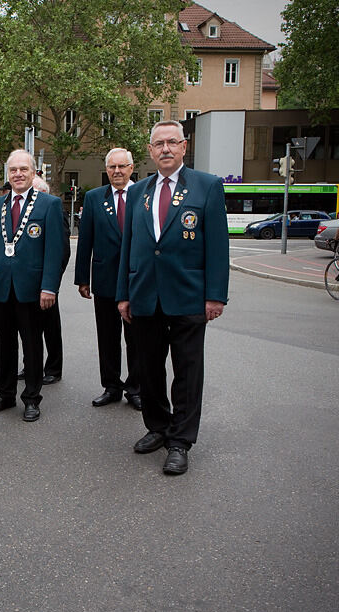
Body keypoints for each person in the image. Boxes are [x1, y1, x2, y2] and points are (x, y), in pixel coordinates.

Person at [116, 120, 229, 476]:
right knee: (148, 370)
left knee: (187, 372)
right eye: (158, 144)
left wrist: (216, 296)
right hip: (145, 296)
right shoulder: (139, 192)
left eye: (172, 142)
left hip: (189, 296)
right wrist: (123, 294)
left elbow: (217, 246)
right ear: (149, 151)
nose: (165, 149)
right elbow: (129, 248)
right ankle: (158, 427)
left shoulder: (207, 187)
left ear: (184, 146)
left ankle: (180, 440)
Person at [0, 149, 64, 422]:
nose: (18, 174)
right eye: (13, 170)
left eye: (23, 169)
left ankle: (31, 398)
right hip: (1, 288)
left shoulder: (49, 204)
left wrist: (49, 287)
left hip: (32, 289)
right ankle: (4, 394)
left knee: (32, 345)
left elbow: (54, 250)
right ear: (7, 175)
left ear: (33, 171)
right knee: (4, 344)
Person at [74, 148, 142, 410]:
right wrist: (82, 278)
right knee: (107, 336)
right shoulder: (94, 198)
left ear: (131, 167)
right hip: (104, 280)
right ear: (106, 170)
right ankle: (111, 386)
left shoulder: (143, 194)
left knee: (136, 338)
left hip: (137, 280)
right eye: (112, 167)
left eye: (122, 166)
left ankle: (135, 388)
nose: (117, 171)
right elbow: (86, 239)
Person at [32, 176, 70, 384]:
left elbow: (62, 250)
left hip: (47, 282)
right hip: (28, 282)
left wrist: (53, 282)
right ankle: (32, 365)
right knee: (30, 330)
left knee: (50, 327)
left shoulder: (55, 211)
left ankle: (54, 368)